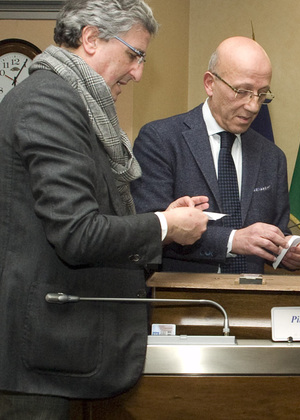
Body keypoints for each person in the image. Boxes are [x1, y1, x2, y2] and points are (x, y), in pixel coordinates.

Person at [0, 1, 209, 418]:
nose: (138, 73)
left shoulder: (71, 100)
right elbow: (78, 234)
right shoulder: (51, 102)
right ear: (91, 38)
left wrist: (161, 219)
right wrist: (163, 226)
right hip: (42, 361)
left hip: (61, 355)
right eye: (134, 55)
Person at [131, 36, 300, 274]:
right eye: (242, 91)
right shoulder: (161, 140)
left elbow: (276, 232)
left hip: (252, 294)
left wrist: (287, 251)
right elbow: (148, 231)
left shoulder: (272, 157)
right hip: (181, 293)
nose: (253, 106)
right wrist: (231, 240)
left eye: (262, 93)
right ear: (210, 83)